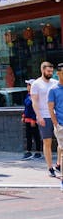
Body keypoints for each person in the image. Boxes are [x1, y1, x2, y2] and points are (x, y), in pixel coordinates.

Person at [30, 61, 58, 177]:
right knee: (47, 142)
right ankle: (50, 167)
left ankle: (59, 164)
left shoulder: (55, 83)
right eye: (48, 71)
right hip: (44, 117)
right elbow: (34, 102)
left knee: (60, 142)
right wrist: (38, 116)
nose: (50, 73)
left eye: (52, 71)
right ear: (42, 70)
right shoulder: (36, 84)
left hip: (57, 115)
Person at [48, 62, 63, 191]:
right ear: (58, 74)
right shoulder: (53, 90)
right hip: (61, 125)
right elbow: (50, 108)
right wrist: (56, 124)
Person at [21, 79, 42, 160]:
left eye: (28, 85)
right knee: (28, 136)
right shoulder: (27, 95)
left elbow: (36, 108)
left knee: (36, 136)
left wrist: (34, 119)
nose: (27, 87)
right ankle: (28, 152)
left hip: (34, 120)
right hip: (27, 119)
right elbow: (26, 107)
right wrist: (24, 116)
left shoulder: (35, 96)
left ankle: (38, 152)